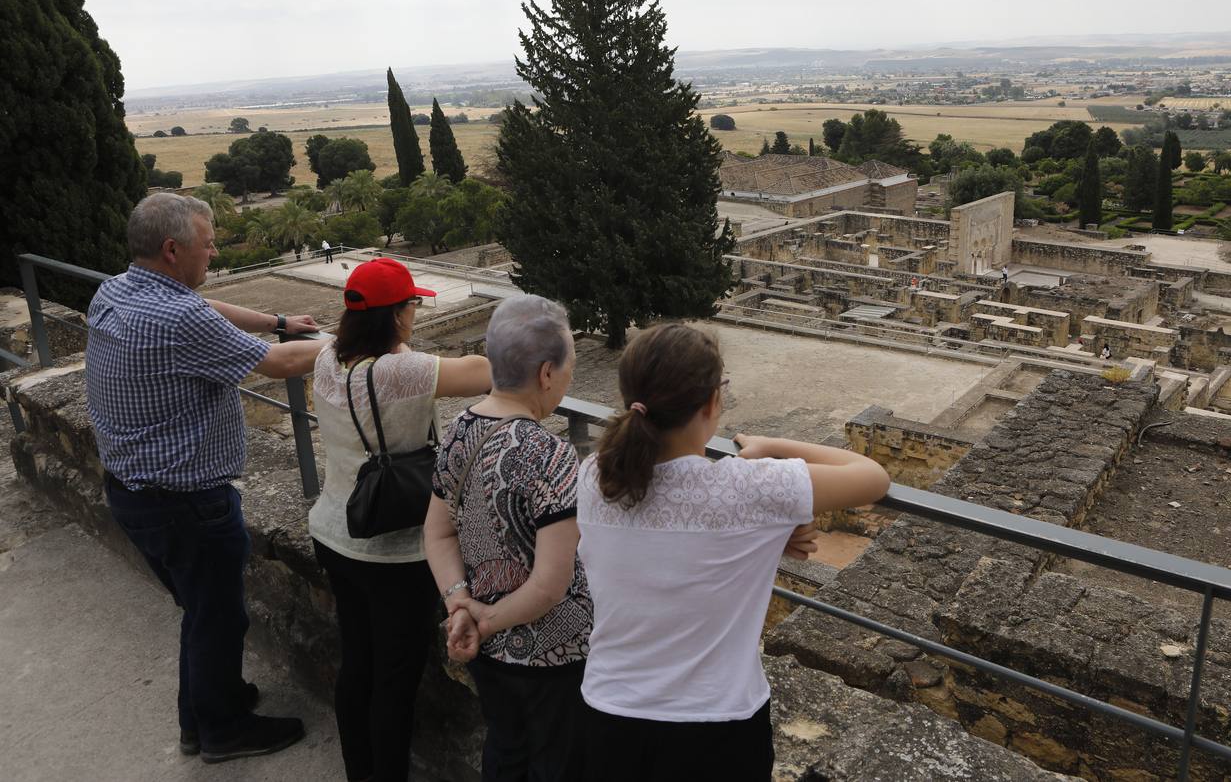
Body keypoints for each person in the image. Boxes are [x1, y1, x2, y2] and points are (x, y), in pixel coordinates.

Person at [575, 324, 891, 781]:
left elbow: (666, 531)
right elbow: (872, 475)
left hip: (609, 714)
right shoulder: (750, 488)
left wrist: (767, 533)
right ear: (711, 402)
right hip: (716, 726)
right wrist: (770, 451)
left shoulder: (593, 476)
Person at [85, 192, 327, 763]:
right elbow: (282, 363)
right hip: (187, 503)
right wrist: (365, 341)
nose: (214, 252)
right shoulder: (176, 317)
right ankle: (223, 731)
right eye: (208, 243)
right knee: (218, 615)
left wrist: (280, 320)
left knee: (201, 610)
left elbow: (205, 310)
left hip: (132, 490)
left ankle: (203, 712)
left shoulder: (116, 290)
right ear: (172, 250)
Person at [308, 257, 492, 782]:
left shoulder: (327, 359)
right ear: (395, 315)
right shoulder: (402, 370)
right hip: (394, 552)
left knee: (358, 665)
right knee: (394, 680)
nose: (414, 311)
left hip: (335, 531)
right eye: (410, 304)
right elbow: (484, 372)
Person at [425, 295, 592, 782]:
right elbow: (550, 586)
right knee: (557, 765)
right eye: (568, 368)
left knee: (506, 749)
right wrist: (487, 622)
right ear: (545, 374)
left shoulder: (460, 429)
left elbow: (436, 533)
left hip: (485, 651)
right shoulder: (551, 454)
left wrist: (461, 608)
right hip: (552, 653)